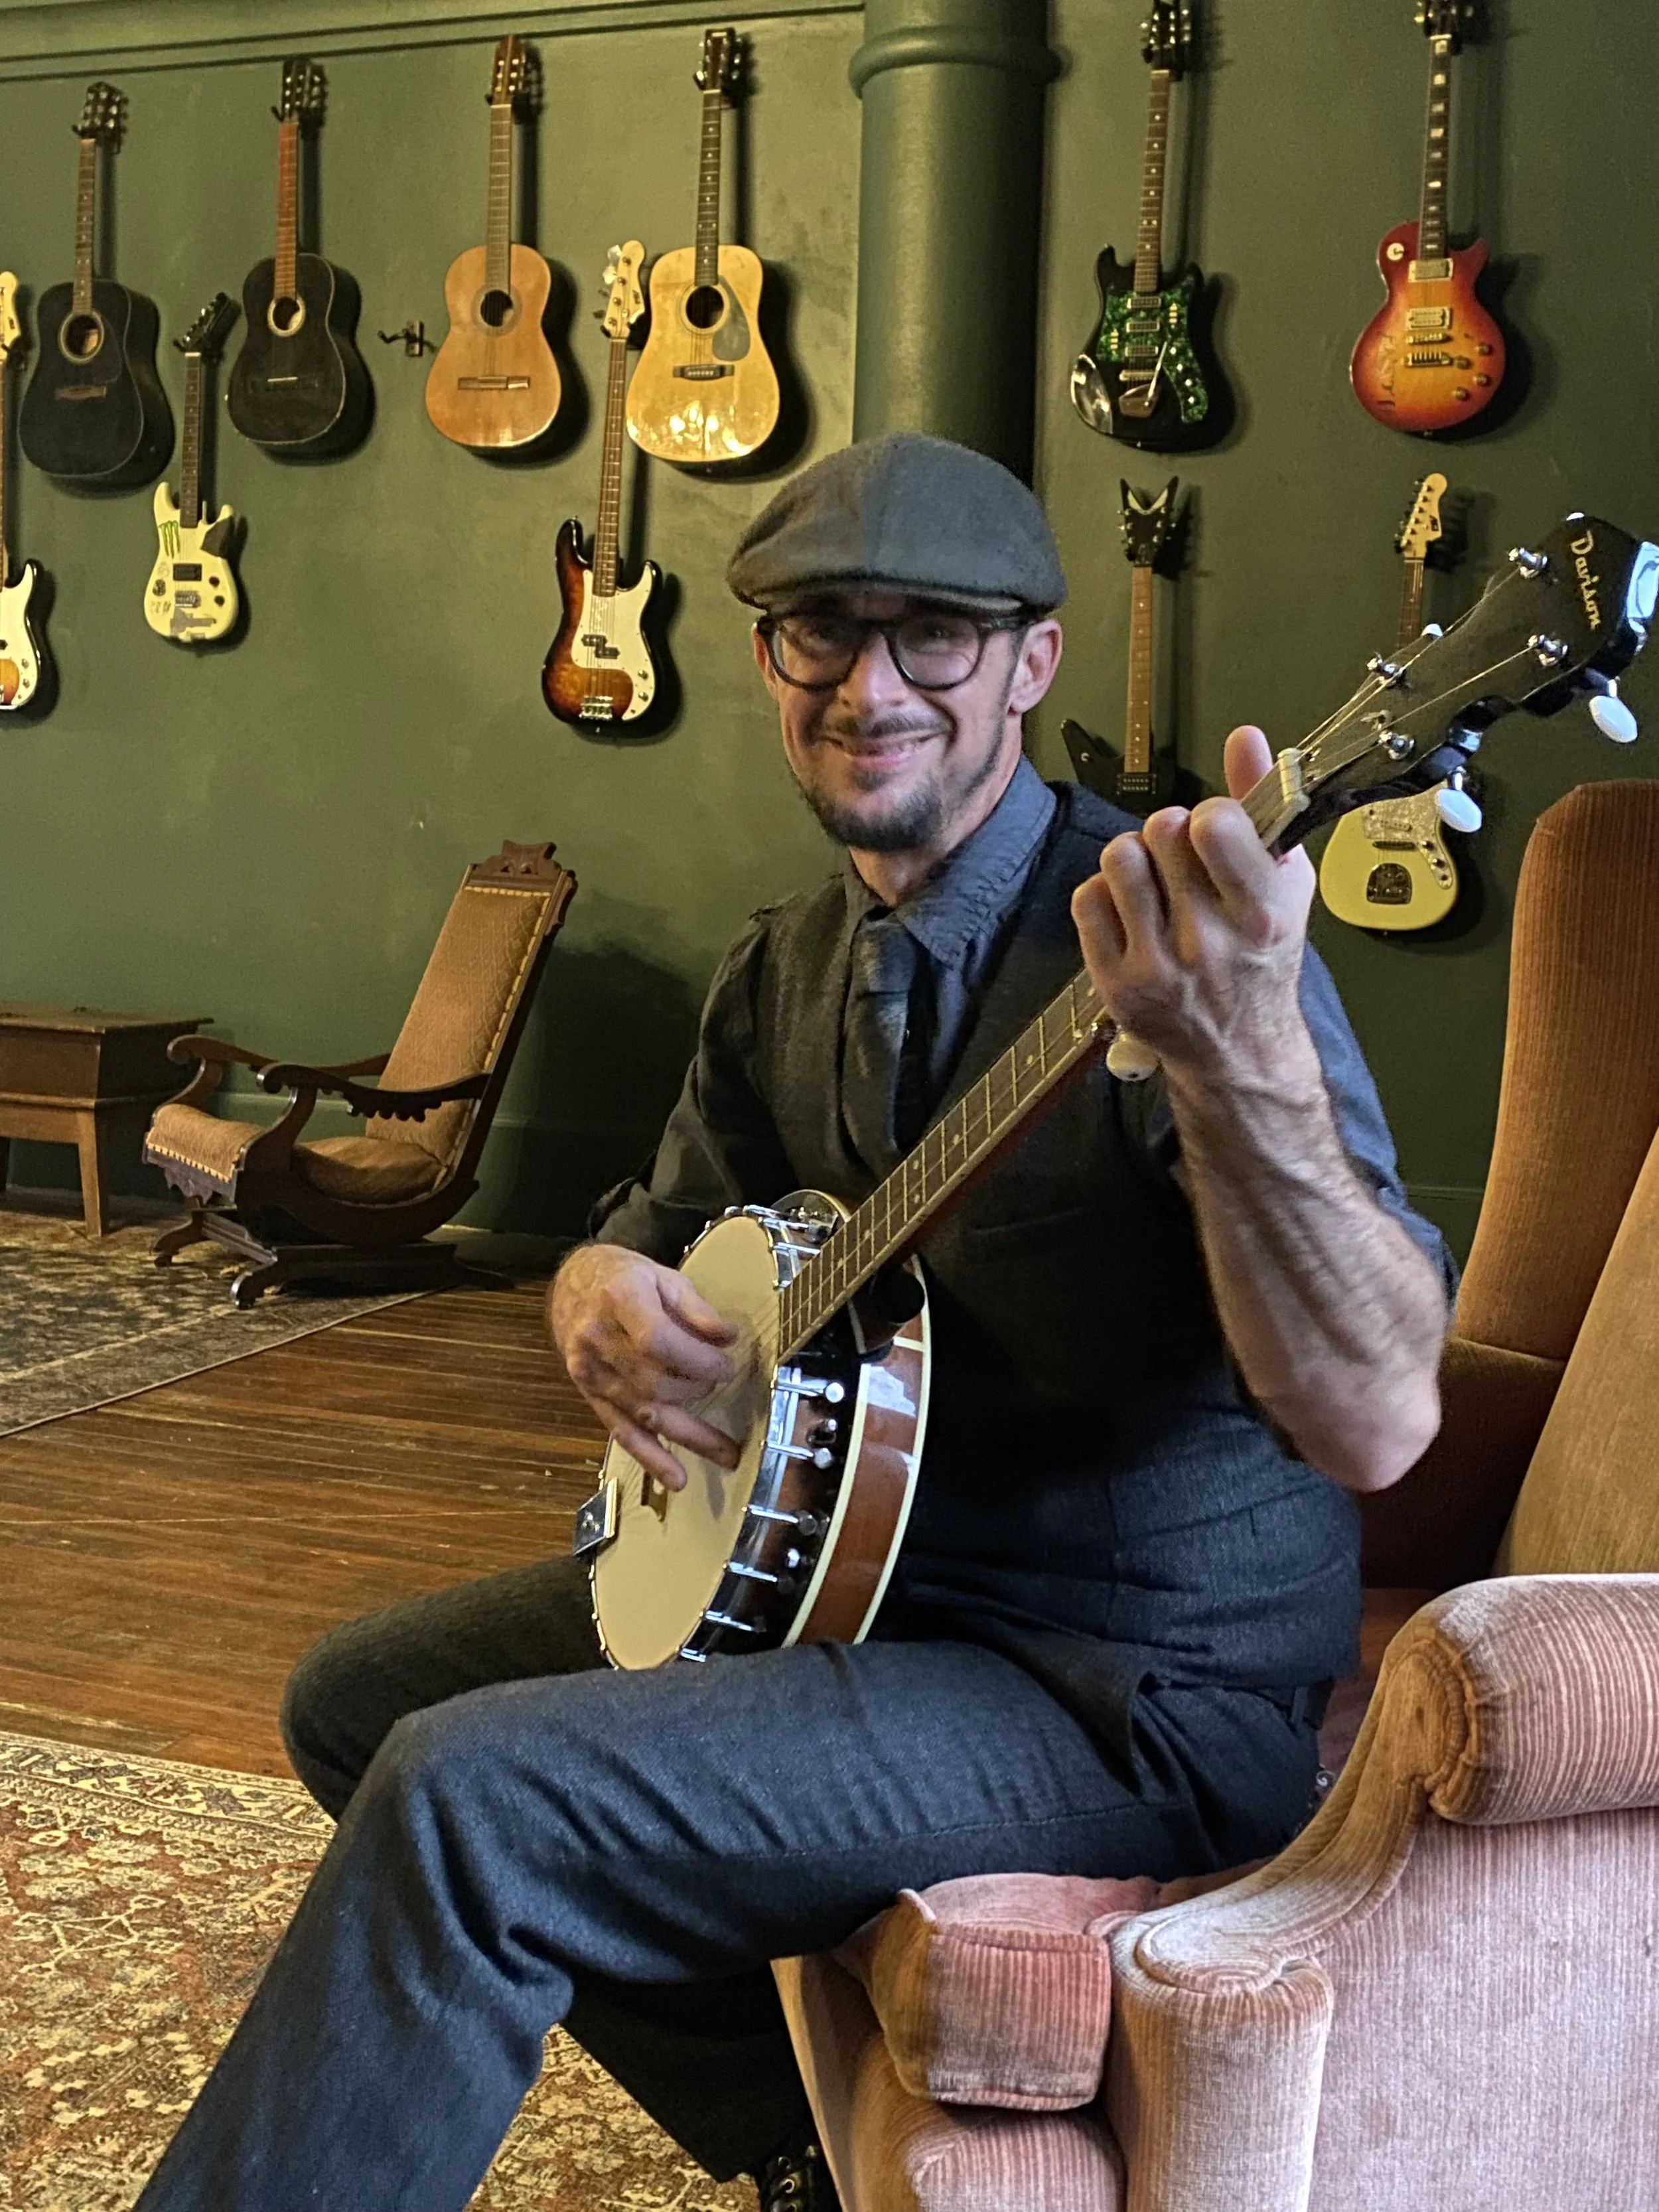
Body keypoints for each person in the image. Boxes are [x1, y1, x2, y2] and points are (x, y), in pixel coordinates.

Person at [132, 433, 1453, 2212]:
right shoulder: (787, 965)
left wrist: (1237, 1075)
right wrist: (593, 1297)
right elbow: (642, 1235)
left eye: (935, 635)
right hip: (864, 1591)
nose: (870, 682)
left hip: (1126, 1683)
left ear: (1032, 661)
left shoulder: (1188, 953)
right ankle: (791, 2137)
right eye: (821, 631)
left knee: (472, 1796)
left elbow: (1376, 1419)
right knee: (358, 1699)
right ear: (765, 661)